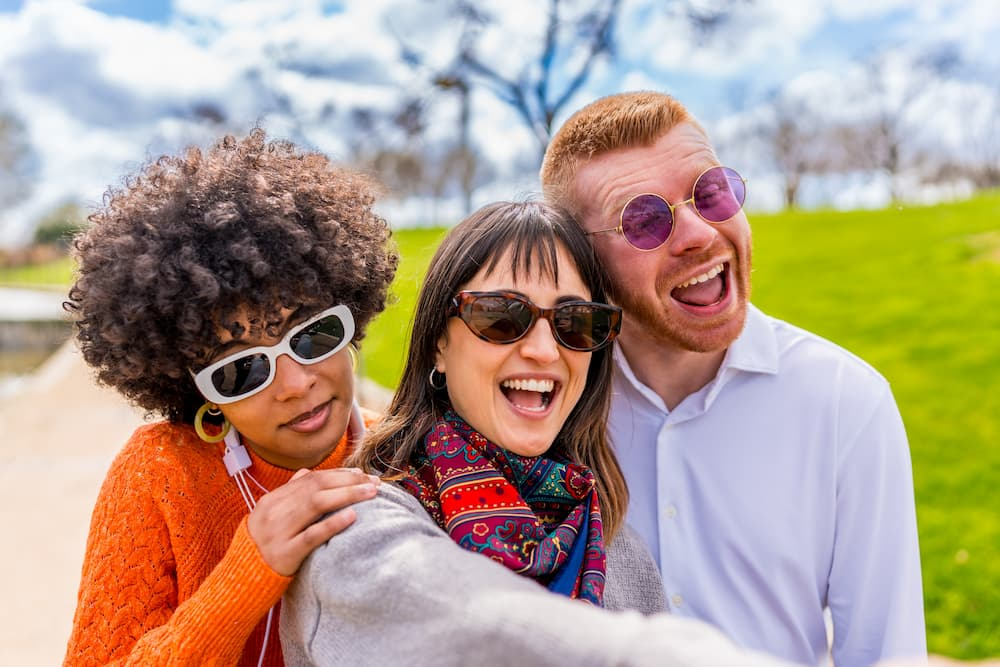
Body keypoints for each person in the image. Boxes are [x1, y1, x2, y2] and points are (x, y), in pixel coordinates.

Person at [280, 201, 802, 667]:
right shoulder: (356, 530)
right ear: (439, 341)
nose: (544, 351)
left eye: (575, 322)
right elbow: (480, 630)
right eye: (502, 317)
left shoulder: (618, 550)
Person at [538, 91, 926, 667]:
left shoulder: (847, 401)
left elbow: (883, 654)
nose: (697, 233)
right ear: (581, 261)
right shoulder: (546, 403)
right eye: (644, 220)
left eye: (711, 193)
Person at [63, 130, 398, 665]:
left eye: (312, 335)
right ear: (199, 390)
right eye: (242, 369)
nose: (295, 383)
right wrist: (248, 570)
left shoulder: (403, 450)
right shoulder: (160, 472)